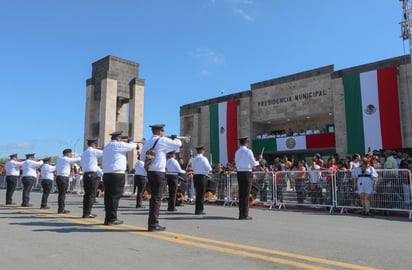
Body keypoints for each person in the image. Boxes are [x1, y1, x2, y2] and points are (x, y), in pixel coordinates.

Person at [140, 124, 182, 231]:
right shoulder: (162, 140)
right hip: (159, 172)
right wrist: (174, 137)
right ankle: (153, 224)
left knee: (153, 198)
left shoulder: (147, 142)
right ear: (160, 131)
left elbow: (141, 157)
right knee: (157, 198)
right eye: (162, 131)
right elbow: (178, 144)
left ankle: (151, 223)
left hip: (150, 172)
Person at [102, 131, 137, 225]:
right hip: (117, 174)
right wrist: (130, 141)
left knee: (108, 197)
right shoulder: (118, 145)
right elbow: (133, 146)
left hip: (107, 174)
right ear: (118, 138)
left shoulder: (107, 147)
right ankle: (112, 219)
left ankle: (108, 218)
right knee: (115, 197)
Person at [234, 136, 261, 220]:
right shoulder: (248, 151)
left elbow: (236, 162)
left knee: (241, 194)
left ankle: (241, 213)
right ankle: (244, 214)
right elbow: (253, 163)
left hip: (239, 172)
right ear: (246, 142)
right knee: (246, 194)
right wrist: (259, 161)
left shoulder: (237, 152)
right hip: (247, 173)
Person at [80, 139, 103, 218]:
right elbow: (105, 154)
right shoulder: (93, 151)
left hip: (85, 174)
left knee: (87, 194)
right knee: (91, 195)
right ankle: (87, 213)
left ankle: (85, 212)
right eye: (96, 144)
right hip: (92, 175)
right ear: (93, 144)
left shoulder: (84, 153)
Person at [55, 149, 81, 214]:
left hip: (59, 177)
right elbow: (77, 159)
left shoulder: (59, 159)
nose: (71, 155)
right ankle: (61, 209)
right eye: (70, 154)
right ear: (67, 154)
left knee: (61, 194)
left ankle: (60, 208)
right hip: (64, 177)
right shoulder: (66, 159)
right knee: (62, 194)